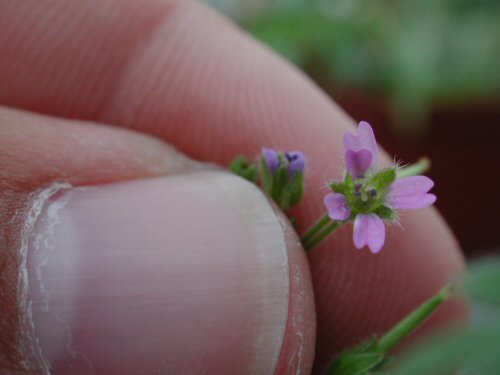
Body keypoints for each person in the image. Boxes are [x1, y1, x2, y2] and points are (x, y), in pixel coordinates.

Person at [0, 1, 466, 374]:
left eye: (370, 195)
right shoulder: (344, 199)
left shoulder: (354, 208)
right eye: (364, 191)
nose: (365, 194)